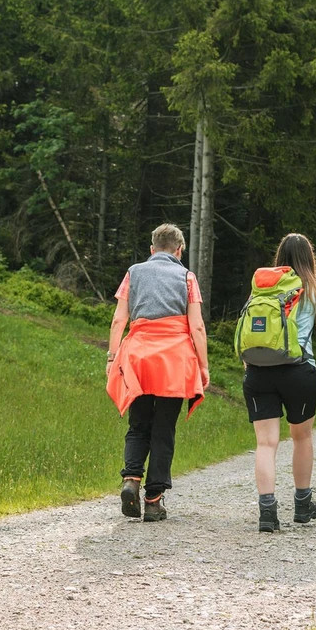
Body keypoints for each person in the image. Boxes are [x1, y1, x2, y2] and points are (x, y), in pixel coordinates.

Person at [106, 223, 210, 523]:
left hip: (138, 358)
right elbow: (197, 326)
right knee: (164, 429)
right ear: (180, 251)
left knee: (139, 424)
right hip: (174, 361)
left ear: (152, 249)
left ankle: (131, 479)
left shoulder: (134, 272)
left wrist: (112, 357)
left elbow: (119, 320)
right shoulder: (187, 277)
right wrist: (203, 366)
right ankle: (153, 501)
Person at [242, 233, 316, 533]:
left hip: (259, 370)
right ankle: (302, 505)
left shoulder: (263, 285)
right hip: (299, 371)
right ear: (310, 257)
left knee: (265, 443)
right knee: (302, 437)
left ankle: (267, 511)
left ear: (280, 256)